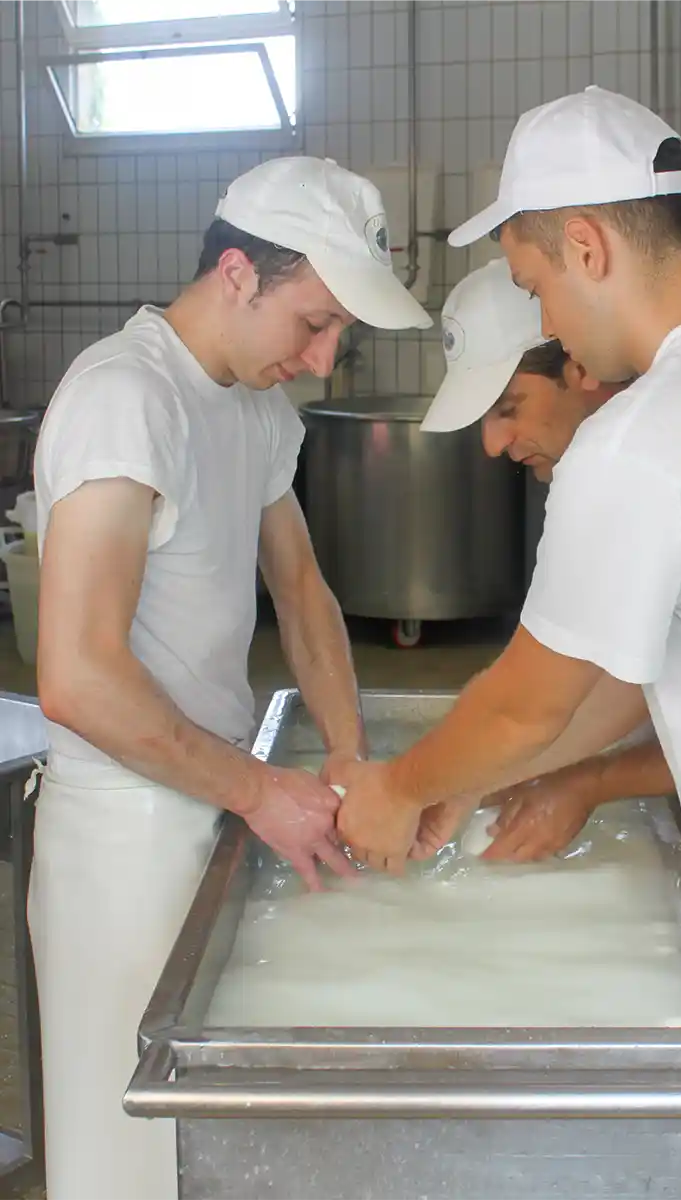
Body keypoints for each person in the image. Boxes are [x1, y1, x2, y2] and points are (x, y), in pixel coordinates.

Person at [332, 88, 681, 1200]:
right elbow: (608, 687)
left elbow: (530, 701)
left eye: (537, 284)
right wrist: (489, 780)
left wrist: (401, 788)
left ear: (586, 245)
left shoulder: (649, 433)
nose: (549, 320)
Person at [29, 155, 431, 1200]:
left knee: (202, 1154)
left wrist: (347, 764)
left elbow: (301, 593)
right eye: (315, 323)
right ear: (239, 274)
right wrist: (260, 792)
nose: (324, 358)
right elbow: (75, 676)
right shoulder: (127, 399)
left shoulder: (250, 408)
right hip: (121, 841)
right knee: (127, 1153)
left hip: (206, 805)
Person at [417, 257, 675, 863]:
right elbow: (627, 682)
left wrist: (405, 787)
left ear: (578, 366)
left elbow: (525, 707)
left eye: (508, 407)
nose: (491, 444)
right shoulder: (641, 447)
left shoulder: (635, 463)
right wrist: (476, 777)